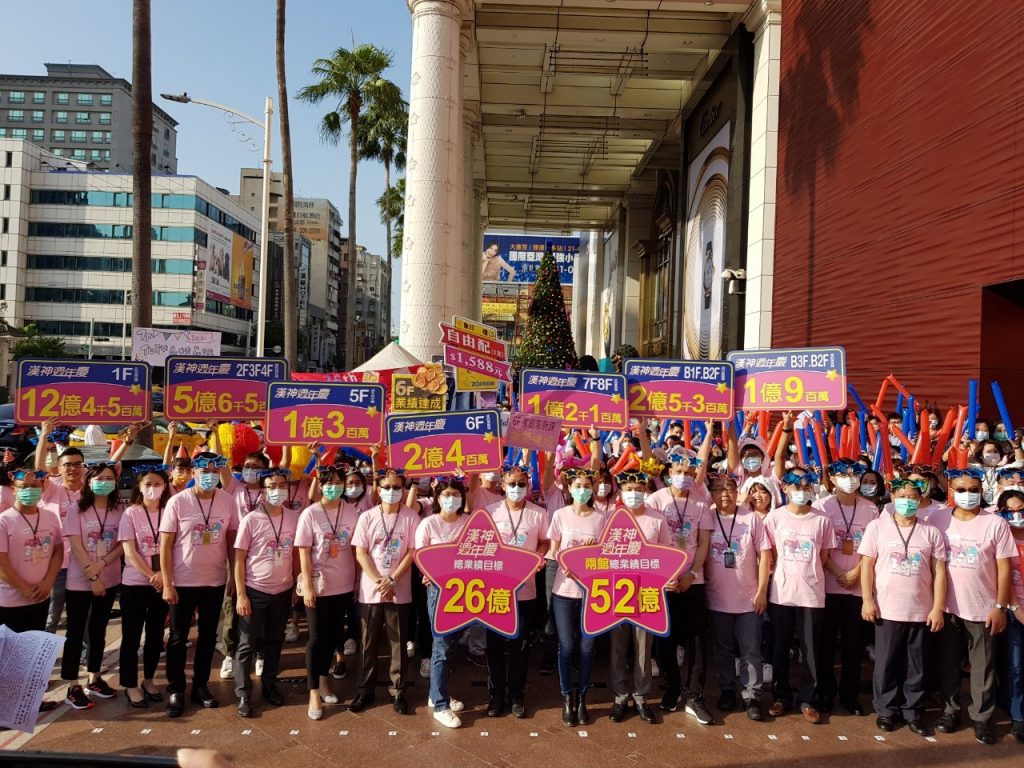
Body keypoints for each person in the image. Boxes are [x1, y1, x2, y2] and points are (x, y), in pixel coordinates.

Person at [928, 467, 1016, 744]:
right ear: (951, 491)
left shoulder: (995, 523)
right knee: (949, 663)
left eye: (974, 490)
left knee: (983, 667)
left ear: (982, 491)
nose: (968, 495)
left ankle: (981, 717)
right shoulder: (938, 518)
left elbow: (1004, 568)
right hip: (946, 607)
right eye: (962, 490)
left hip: (982, 607)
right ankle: (950, 710)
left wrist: (1000, 606)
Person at [859, 478, 946, 735]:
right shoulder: (877, 528)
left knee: (916, 664)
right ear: (893, 498)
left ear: (920, 500)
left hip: (921, 610)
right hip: (887, 609)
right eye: (902, 496)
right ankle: (886, 711)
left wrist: (937, 607)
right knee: (886, 663)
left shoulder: (931, 532)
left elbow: (939, 571)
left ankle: (913, 712)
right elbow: (867, 566)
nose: (907, 501)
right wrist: (867, 599)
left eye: (912, 497)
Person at [160, 452, 238, 718]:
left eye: (215, 472)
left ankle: (201, 686)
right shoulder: (178, 502)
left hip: (214, 581)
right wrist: (168, 583)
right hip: (182, 581)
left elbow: (230, 539)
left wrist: (233, 577)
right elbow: (166, 545)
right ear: (194, 473)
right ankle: (176, 689)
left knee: (207, 637)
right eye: (204, 471)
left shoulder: (227, 500)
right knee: (179, 638)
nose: (210, 476)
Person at [645, 447, 714, 723]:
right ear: (669, 472)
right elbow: (649, 540)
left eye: (688, 473)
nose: (684, 477)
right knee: (666, 639)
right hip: (663, 582)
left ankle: (695, 695)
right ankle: (672, 686)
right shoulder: (655, 500)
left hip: (692, 581)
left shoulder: (701, 503)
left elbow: (704, 542)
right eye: (678, 472)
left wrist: (692, 574)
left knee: (697, 640)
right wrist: (664, 576)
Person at [764, 470, 835, 724]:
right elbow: (770, 553)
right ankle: (781, 696)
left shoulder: (822, 521)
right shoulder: (774, 518)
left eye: (806, 485)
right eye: (796, 485)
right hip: (782, 593)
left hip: (812, 594)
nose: (801, 490)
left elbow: (824, 556)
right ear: (785, 488)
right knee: (780, 648)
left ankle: (809, 699)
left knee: (810, 651)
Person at [296, 463, 363, 720]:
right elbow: (303, 551)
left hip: (344, 585)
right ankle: (313, 692)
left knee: (334, 635)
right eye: (329, 483)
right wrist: (308, 587)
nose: (334, 487)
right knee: (316, 638)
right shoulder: (310, 514)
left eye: (338, 483)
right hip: (318, 586)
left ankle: (324, 682)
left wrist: (357, 581)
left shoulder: (352, 512)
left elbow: (357, 549)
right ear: (320, 485)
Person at [349, 469, 419, 714]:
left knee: (398, 643)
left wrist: (393, 579)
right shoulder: (367, 517)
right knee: (368, 643)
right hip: (371, 591)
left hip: (400, 589)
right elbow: (361, 552)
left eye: (397, 487)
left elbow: (412, 551)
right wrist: (379, 580)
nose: (392, 492)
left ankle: (398, 691)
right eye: (387, 487)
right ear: (378, 488)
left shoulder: (411, 517)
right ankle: (364, 691)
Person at [704, 473, 771, 721]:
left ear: (737, 492)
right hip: (717, 598)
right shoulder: (707, 518)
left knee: (751, 649)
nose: (725, 493)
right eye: (719, 489)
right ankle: (726, 689)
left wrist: (762, 590)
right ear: (712, 495)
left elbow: (765, 556)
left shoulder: (752, 519)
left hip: (748, 598)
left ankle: (751, 694)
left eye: (730, 488)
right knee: (723, 648)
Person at [608, 470, 673, 724]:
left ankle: (641, 696)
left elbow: (667, 553)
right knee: (617, 646)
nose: (633, 493)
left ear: (645, 491)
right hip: (615, 592)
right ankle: (619, 696)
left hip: (647, 592)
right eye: (628, 489)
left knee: (643, 647)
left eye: (638, 489)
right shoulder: (611, 517)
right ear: (621, 492)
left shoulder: (657, 519)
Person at [483, 465, 548, 718]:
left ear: (528, 485)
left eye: (522, 483)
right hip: (495, 591)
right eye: (512, 484)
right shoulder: (490, 512)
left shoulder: (538, 514)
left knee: (520, 645)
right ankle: (496, 696)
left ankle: (517, 695)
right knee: (495, 645)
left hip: (525, 591)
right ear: (502, 485)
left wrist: (539, 556)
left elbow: (544, 541)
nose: (517, 488)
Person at [233, 469, 298, 718]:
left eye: (282, 485)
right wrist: (241, 594)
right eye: (272, 486)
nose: (278, 490)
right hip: (254, 590)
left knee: (274, 641)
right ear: (263, 489)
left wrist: (294, 586)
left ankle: (269, 684)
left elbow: (293, 555)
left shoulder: (293, 517)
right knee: (247, 644)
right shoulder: (251, 520)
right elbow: (239, 559)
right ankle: (243, 693)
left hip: (282, 591)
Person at [814, 459, 877, 715]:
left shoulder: (871, 509)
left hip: (857, 587)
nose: (850, 479)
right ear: (832, 478)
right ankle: (826, 693)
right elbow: (818, 547)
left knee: (854, 645)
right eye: (843, 474)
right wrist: (839, 572)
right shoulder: (821, 507)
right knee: (826, 644)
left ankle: (850, 696)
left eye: (854, 474)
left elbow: (873, 549)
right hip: (828, 586)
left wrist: (855, 572)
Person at [61, 462, 124, 709]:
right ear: (89, 481)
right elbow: (76, 545)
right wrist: (94, 575)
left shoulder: (119, 509)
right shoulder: (75, 509)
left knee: (99, 630)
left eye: (109, 478)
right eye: (99, 478)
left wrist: (104, 564)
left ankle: (94, 678)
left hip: (109, 578)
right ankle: (71, 685)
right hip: (80, 581)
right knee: (75, 634)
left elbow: (123, 542)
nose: (104, 482)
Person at [547, 468, 606, 727]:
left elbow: (607, 554)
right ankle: (566, 696)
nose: (582, 490)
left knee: (587, 646)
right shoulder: (560, 515)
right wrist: (565, 561)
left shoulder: (602, 518)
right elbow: (553, 550)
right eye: (577, 485)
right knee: (567, 645)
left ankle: (582, 696)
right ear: (569, 488)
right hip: (563, 589)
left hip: (592, 591)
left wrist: (590, 557)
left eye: (586, 485)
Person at [414, 478, 471, 728]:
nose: (451, 499)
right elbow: (420, 556)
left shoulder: (469, 523)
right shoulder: (428, 524)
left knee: (451, 643)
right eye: (446, 494)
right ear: (437, 498)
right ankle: (440, 705)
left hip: (465, 589)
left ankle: (437, 693)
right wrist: (427, 572)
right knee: (441, 644)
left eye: (455, 494)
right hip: (439, 589)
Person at [118, 466, 172, 708]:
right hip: (136, 583)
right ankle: (130, 685)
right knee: (131, 637)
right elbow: (129, 551)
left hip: (164, 583)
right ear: (139, 487)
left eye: (157, 484)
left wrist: (163, 576)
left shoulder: (170, 510)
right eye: (147, 484)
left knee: (155, 635)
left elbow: (175, 547)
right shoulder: (131, 513)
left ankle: (148, 680)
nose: (153, 488)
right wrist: (152, 575)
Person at [220, 451, 271, 681]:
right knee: (232, 607)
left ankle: (260, 653)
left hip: (262, 556)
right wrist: (215, 430)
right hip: (236, 555)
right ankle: (230, 655)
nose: (251, 470)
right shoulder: (235, 487)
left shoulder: (270, 491)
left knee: (259, 609)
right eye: (248, 465)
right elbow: (222, 464)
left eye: (257, 467)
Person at [36, 429, 87, 635]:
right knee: (51, 616)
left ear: (83, 467)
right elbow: (39, 469)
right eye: (67, 465)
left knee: (83, 615)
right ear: (60, 468)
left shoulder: (90, 492)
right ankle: (42, 658)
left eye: (77, 464)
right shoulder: (52, 489)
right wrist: (43, 436)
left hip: (84, 563)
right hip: (56, 565)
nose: (73, 469)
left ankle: (86, 656)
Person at [0, 468, 63, 633]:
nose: (30, 491)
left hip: (41, 599)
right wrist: (24, 589)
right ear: (14, 489)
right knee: (10, 654)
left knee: (34, 652)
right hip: (11, 602)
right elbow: (1, 562)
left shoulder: (50, 516)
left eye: (34, 486)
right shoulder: (4, 521)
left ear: (42, 487)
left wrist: (48, 582)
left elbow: (58, 550)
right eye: (24, 487)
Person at [994, 489, 1024, 742]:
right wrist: (1016, 609)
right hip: (1015, 611)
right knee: (1015, 665)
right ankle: (1018, 715)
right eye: (1010, 511)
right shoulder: (1003, 541)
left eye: (1020, 509)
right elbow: (1003, 578)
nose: (1016, 515)